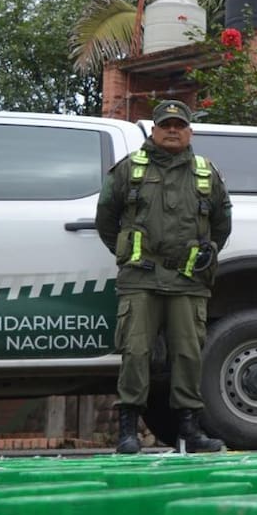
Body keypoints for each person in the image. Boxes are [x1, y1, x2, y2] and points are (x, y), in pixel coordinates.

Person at [96, 99, 231, 454]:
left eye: (179, 125)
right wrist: (129, 253)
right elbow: (106, 219)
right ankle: (127, 430)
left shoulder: (207, 173)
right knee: (136, 351)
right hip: (140, 277)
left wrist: (203, 256)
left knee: (189, 354)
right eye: (166, 125)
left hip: (188, 281)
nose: (172, 130)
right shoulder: (128, 170)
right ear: (153, 130)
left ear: (190, 131)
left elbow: (221, 224)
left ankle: (190, 429)